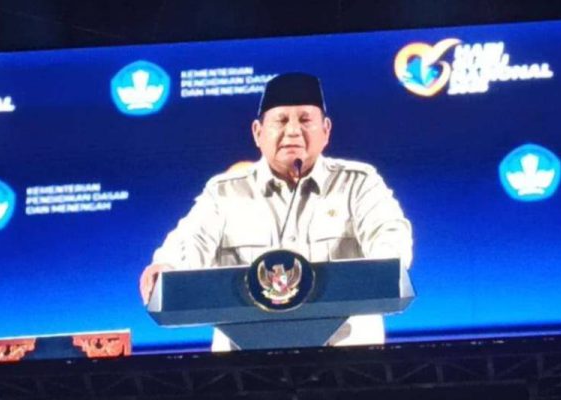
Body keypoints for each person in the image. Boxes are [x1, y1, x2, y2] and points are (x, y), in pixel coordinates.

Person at [140, 72, 413, 351]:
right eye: (281, 120)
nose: (293, 131)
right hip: (244, 366)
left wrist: (383, 267)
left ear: (326, 130)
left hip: (349, 364)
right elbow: (190, 240)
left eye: (305, 119)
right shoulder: (224, 193)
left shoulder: (359, 183)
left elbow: (391, 234)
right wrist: (168, 267)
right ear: (257, 133)